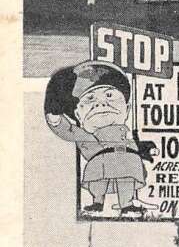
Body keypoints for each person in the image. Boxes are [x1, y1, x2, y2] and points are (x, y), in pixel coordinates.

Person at [44, 61, 156, 217]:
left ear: (127, 109)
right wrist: (55, 117)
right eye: (90, 99)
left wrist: (147, 148)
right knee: (98, 181)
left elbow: (136, 144)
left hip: (126, 159)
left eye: (109, 95)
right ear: (78, 115)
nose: (101, 103)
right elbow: (68, 130)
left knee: (126, 180)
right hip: (100, 159)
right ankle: (97, 202)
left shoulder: (126, 131)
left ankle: (127, 205)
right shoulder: (86, 135)